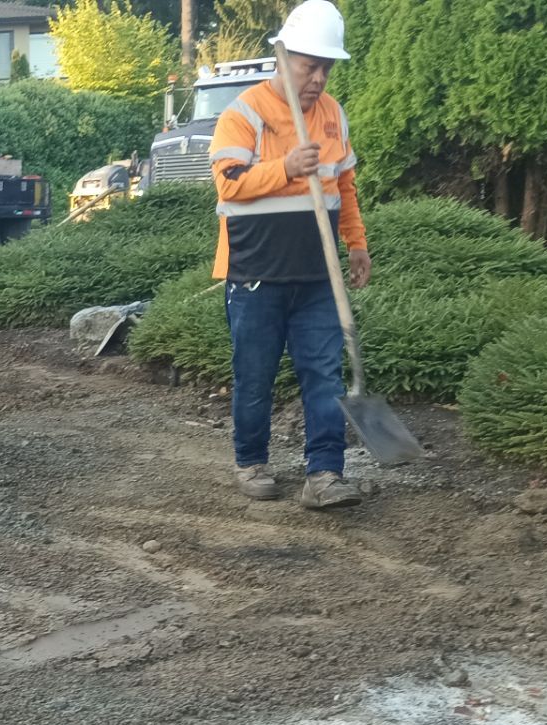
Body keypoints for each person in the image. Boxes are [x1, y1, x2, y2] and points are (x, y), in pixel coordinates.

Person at [209, 0, 370, 510]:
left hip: (318, 276)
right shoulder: (244, 115)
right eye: (309, 65)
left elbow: (344, 187)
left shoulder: (333, 116)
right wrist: (285, 167)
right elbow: (228, 183)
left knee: (324, 374)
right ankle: (251, 460)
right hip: (255, 275)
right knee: (253, 376)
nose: (318, 78)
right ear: (283, 58)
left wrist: (357, 243)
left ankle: (324, 473)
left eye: (327, 68)